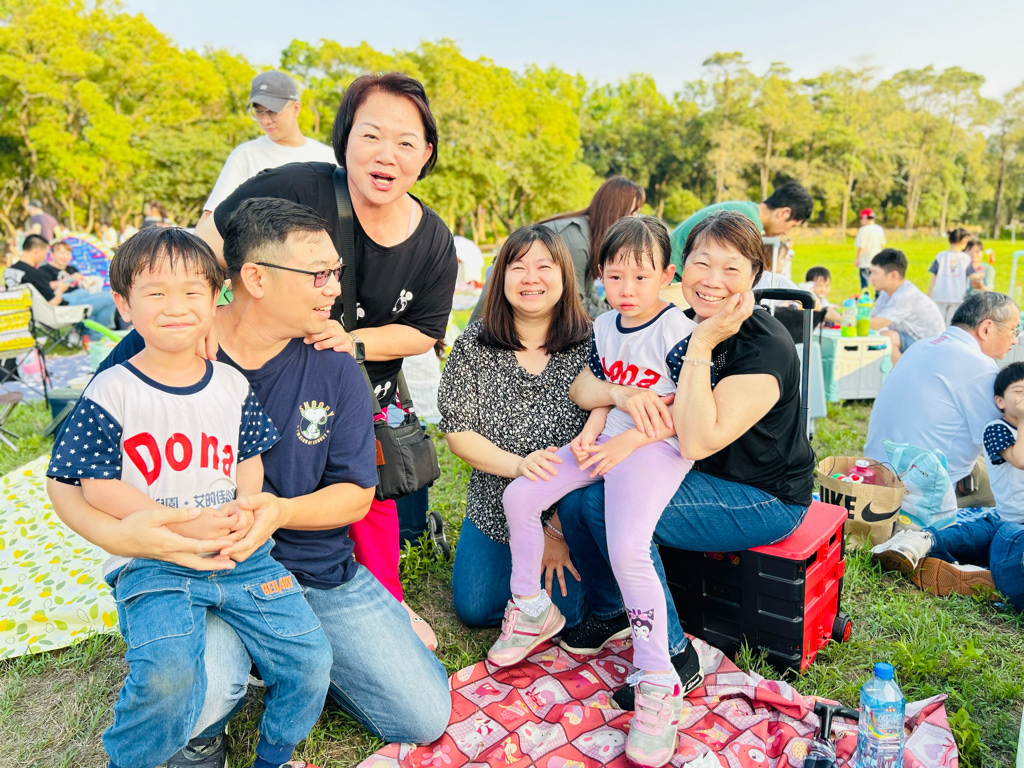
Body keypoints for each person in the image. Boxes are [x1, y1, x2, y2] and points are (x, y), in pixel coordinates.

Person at [48, 197, 452, 768]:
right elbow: (71, 476)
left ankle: (290, 658)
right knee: (198, 694)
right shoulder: (164, 339)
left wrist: (277, 512)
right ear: (256, 279)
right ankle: (223, 685)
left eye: (335, 272)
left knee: (423, 713)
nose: (335, 289)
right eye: (319, 274)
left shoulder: (334, 361)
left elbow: (356, 495)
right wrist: (125, 537)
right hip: (193, 565)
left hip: (313, 569)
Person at [46, 226, 331, 768]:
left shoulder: (230, 384)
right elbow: (95, 484)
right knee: (168, 673)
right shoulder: (111, 389)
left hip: (240, 556)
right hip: (154, 560)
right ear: (123, 304)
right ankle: (130, 760)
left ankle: (274, 755)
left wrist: (244, 509)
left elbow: (248, 458)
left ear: (216, 297)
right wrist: (175, 525)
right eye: (155, 293)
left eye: (192, 291)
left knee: (310, 657)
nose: (175, 307)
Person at [195, 72, 458, 649]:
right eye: (371, 135)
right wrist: (202, 319)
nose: (386, 155)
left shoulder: (434, 241)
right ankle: (229, 601)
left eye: (406, 142)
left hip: (359, 384)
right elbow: (205, 248)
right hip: (263, 379)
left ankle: (385, 602)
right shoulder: (294, 186)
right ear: (344, 139)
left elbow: (424, 332)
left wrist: (352, 343)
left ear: (426, 155)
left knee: (367, 496)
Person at [558, 210, 815, 712]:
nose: (713, 280)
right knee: (578, 498)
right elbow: (588, 384)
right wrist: (619, 393)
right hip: (688, 471)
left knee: (607, 507)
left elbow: (697, 441)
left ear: (755, 276)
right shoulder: (677, 321)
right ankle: (612, 612)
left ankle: (674, 655)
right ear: (682, 267)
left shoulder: (765, 346)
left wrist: (703, 343)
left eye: (731, 268)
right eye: (702, 263)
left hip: (762, 496)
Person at [491, 217, 695, 767]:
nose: (627, 289)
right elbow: (603, 390)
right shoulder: (605, 325)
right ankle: (530, 607)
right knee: (520, 496)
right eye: (616, 276)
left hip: (655, 449)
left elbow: (688, 413)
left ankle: (658, 680)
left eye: (641, 277)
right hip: (605, 441)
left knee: (627, 548)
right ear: (600, 274)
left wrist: (624, 444)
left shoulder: (679, 331)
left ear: (667, 276)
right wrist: (589, 433)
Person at [437, 224, 592, 629]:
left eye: (544, 267)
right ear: (500, 276)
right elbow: (458, 433)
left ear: (564, 275)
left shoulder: (591, 345)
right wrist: (519, 466)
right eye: (518, 267)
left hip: (565, 513)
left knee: (571, 614)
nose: (530, 278)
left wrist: (556, 533)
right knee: (475, 608)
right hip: (494, 505)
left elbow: (600, 446)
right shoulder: (475, 344)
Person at [872, 361, 1024, 610]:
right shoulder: (997, 429)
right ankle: (922, 543)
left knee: (987, 534)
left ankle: (982, 577)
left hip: (1008, 532)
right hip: (1010, 522)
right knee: (981, 532)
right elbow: (1020, 460)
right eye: (1019, 391)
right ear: (1000, 401)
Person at [864, 292, 1019, 501]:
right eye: (1013, 330)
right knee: (1015, 485)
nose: (1015, 340)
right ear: (986, 328)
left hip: (875, 471)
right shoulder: (979, 367)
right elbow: (1010, 440)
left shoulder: (920, 346)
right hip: (921, 493)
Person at [469, 176, 647, 322]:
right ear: (613, 210)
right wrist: (621, 318)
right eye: (632, 212)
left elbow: (589, 295)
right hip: (503, 306)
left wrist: (625, 313)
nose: (634, 219)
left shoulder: (592, 237)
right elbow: (576, 304)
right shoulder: (576, 239)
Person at [201, 71, 335, 221]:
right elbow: (211, 216)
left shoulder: (327, 157)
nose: (265, 120)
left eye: (272, 111)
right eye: (259, 112)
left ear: (296, 108)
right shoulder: (245, 155)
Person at [668, 181, 813, 281]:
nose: (787, 232)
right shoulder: (747, 221)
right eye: (792, 226)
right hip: (674, 280)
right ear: (784, 213)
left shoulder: (745, 210)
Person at [3, 235, 117, 338]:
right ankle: (96, 337)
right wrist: (60, 289)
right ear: (37, 251)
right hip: (56, 312)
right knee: (109, 298)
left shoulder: (10, 271)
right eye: (45, 253)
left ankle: (87, 332)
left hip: (31, 313)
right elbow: (53, 302)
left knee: (83, 292)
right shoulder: (34, 274)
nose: (44, 257)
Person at [867, 248, 946, 364]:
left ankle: (906, 373)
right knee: (880, 337)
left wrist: (844, 319)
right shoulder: (886, 293)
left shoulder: (906, 294)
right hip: (913, 340)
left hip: (931, 347)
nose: (870, 278)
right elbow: (873, 319)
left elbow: (878, 324)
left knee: (887, 338)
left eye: (874, 273)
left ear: (893, 275)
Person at [38, 239, 118, 331]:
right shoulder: (45, 269)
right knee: (108, 298)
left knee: (110, 296)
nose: (65, 256)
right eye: (62, 253)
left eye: (68, 253)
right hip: (64, 302)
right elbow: (46, 286)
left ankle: (94, 333)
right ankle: (96, 335)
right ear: (52, 254)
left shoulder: (72, 269)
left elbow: (80, 284)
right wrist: (70, 279)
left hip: (81, 298)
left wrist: (88, 282)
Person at [928, 227, 973, 325]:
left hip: (940, 295)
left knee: (938, 323)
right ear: (963, 241)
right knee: (951, 323)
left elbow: (934, 275)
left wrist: (929, 292)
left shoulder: (940, 256)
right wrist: (980, 275)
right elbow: (971, 275)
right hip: (957, 296)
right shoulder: (965, 258)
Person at [854, 208, 886, 290]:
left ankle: (865, 295)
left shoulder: (863, 230)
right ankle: (878, 295)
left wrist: (857, 259)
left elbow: (862, 246)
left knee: (865, 282)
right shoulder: (879, 229)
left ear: (865, 218)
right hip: (877, 260)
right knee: (878, 280)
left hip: (865, 261)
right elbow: (883, 244)